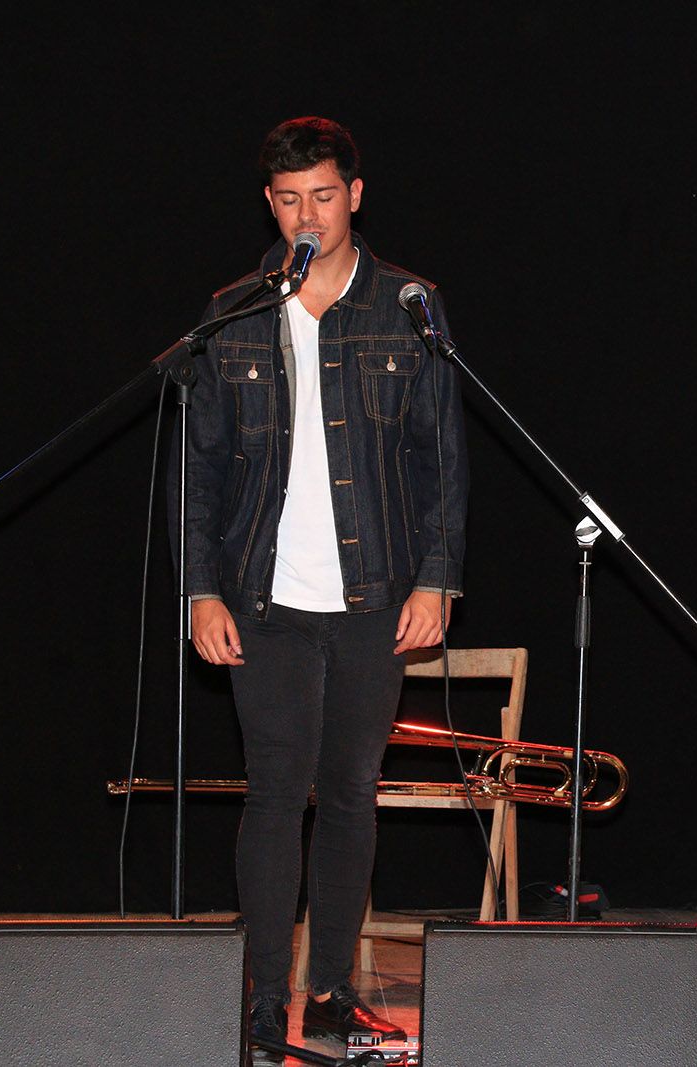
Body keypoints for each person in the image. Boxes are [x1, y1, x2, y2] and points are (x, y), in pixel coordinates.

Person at [174, 116, 467, 1062]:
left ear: (356, 194)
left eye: (325, 196)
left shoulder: (411, 305)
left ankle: (332, 991)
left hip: (376, 591)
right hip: (262, 596)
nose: (309, 215)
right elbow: (203, 469)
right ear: (271, 203)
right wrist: (200, 589)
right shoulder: (234, 309)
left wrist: (437, 575)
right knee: (275, 794)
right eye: (290, 199)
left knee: (349, 794)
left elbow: (442, 461)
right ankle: (266, 998)